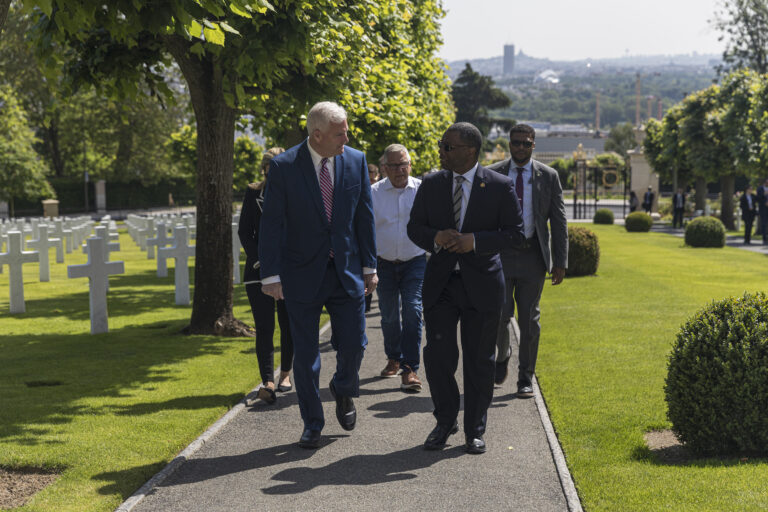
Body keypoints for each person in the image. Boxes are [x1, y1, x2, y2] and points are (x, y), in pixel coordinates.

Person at [259, 101, 377, 449]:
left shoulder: (355, 160)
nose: (347, 138)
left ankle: (343, 388)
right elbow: (272, 224)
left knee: (355, 343)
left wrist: (370, 266)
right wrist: (271, 276)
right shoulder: (284, 166)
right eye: (340, 133)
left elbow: (364, 217)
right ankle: (313, 422)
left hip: (347, 272)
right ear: (317, 134)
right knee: (307, 354)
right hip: (300, 275)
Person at [407, 122, 524, 454]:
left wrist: (475, 242)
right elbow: (414, 227)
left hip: (483, 286)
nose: (441, 151)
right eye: (442, 145)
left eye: (448, 147)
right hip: (442, 286)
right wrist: (435, 238)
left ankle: (474, 428)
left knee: (479, 360)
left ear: (470, 151)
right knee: (439, 358)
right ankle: (445, 422)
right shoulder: (431, 184)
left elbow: (515, 233)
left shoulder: (499, 186)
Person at [488, 124, 568, 398]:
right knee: (499, 315)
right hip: (500, 255)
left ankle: (525, 378)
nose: (520, 147)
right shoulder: (493, 173)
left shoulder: (548, 176)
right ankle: (502, 355)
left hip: (533, 256)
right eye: (516, 142)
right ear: (509, 144)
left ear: (534, 145)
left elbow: (558, 221)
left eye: (525, 143)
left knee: (530, 320)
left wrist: (560, 261)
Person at [238, 147, 293, 405]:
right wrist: (260, 260)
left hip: (289, 269)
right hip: (259, 269)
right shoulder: (253, 193)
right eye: (271, 169)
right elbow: (244, 232)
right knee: (264, 327)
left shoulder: (296, 192)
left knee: (288, 324)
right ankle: (267, 380)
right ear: (265, 169)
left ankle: (285, 374)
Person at [371, 144, 426, 392]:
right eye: (394, 165)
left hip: (414, 262)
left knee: (413, 312)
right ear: (384, 168)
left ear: (410, 165)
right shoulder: (373, 193)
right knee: (390, 315)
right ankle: (394, 356)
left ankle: (410, 368)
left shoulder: (422, 190)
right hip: (383, 264)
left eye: (404, 164)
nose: (400, 170)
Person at [757, 179, 768, 244]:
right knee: (764, 223)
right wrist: (764, 194)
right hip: (763, 209)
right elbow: (758, 198)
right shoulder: (760, 189)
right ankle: (764, 238)